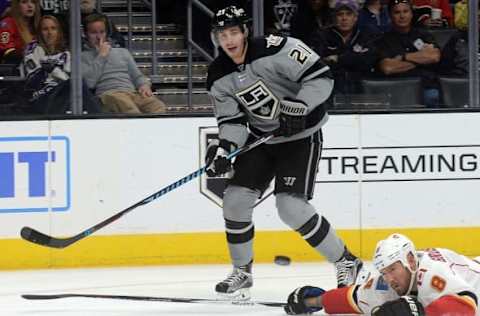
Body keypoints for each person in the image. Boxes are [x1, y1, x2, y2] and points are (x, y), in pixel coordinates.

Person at [206, 5, 363, 300]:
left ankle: (346, 260)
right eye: (222, 34)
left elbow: (321, 77)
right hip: (263, 139)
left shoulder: (277, 49)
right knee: (235, 201)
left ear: (245, 32)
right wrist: (223, 148)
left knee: (290, 208)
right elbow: (232, 121)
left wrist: (302, 106)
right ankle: (242, 272)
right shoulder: (217, 75)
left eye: (233, 32)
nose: (228, 40)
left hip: (301, 137)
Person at [284, 233, 480, 315]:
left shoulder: (433, 272)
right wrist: (312, 301)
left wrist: (421, 313)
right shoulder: (387, 283)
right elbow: (354, 297)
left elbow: (467, 306)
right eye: (384, 272)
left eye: (393, 269)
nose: (389, 279)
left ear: (410, 261)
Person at [81, 13, 166, 114]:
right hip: (108, 95)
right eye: (93, 33)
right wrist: (101, 56)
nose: (99, 37)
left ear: (107, 33)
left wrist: (144, 85)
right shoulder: (83, 56)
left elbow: (137, 76)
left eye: (102, 32)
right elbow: (89, 83)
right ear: (85, 34)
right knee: (128, 108)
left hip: (131, 93)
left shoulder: (122, 52)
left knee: (157, 106)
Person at [22, 15, 101, 114]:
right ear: (40, 32)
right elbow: (34, 80)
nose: (50, 33)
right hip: (41, 97)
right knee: (76, 85)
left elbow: (68, 79)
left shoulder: (66, 53)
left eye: (53, 28)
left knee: (78, 85)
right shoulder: (33, 48)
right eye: (45, 29)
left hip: (63, 97)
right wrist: (58, 73)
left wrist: (52, 70)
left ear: (58, 32)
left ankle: (96, 117)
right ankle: (98, 117)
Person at [375, 0, 441, 107]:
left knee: (433, 95)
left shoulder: (424, 34)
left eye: (405, 11)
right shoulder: (383, 40)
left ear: (411, 14)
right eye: (397, 12)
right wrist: (421, 58)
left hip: (426, 87)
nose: (402, 16)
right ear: (390, 16)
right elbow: (388, 68)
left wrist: (403, 57)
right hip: (397, 89)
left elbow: (434, 56)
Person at [311, 0, 377, 94]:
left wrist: (338, 59)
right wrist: (353, 58)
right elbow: (319, 63)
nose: (344, 18)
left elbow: (369, 60)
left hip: (361, 90)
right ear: (334, 18)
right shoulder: (322, 36)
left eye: (349, 14)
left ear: (355, 17)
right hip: (330, 90)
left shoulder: (366, 35)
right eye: (340, 14)